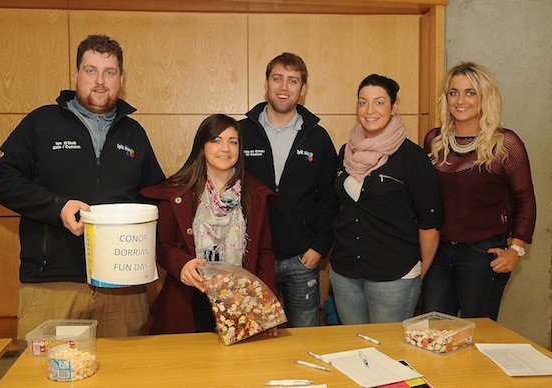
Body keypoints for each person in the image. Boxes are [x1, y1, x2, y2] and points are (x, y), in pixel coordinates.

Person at [0, 35, 165, 340]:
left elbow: (157, 198)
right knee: (45, 380)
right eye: (90, 70)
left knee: (126, 379)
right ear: (76, 75)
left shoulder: (134, 134)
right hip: (53, 284)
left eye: (109, 72)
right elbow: (0, 178)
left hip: (123, 289)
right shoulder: (42, 123)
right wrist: (59, 207)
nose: (100, 81)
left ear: (121, 79)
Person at [141, 114, 278, 335]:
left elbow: (264, 253)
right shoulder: (178, 190)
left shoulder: (254, 193)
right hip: (189, 300)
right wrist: (182, 265)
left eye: (233, 141)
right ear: (201, 146)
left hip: (239, 304)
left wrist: (267, 308)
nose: (225, 148)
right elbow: (162, 245)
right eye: (216, 140)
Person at [422, 62, 536, 320]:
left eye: (470, 92)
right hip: (438, 253)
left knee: (478, 335)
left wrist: (515, 251)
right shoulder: (433, 140)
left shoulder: (506, 144)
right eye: (454, 92)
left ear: (485, 97)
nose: (461, 100)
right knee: (431, 332)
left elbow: (525, 200)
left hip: (483, 256)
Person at [329, 74, 442, 324]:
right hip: (345, 273)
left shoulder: (411, 156)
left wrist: (418, 272)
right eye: (363, 102)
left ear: (394, 107)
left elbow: (430, 222)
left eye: (379, 102)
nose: (370, 110)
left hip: (394, 276)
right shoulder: (345, 152)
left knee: (388, 354)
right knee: (355, 349)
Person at [239, 53, 339, 327]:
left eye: (292, 81)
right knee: (254, 336)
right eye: (277, 79)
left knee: (304, 338)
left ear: (302, 88)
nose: (284, 87)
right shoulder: (241, 132)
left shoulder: (317, 137)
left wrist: (319, 247)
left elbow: (331, 197)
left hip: (301, 260)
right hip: (253, 259)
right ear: (266, 84)